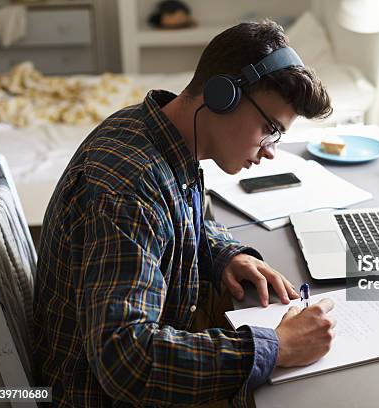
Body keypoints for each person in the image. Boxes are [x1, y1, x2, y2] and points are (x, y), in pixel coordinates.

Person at [33, 19, 337, 407]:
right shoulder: (130, 190)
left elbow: (175, 217)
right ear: (221, 95)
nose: (269, 150)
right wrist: (276, 346)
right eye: (268, 128)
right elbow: (127, 360)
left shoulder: (153, 132)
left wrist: (226, 253)